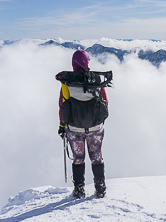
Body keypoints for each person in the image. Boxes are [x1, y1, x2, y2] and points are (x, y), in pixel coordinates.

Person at [58, 50, 108, 198]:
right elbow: (105, 101)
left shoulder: (67, 82)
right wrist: (99, 120)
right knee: (96, 156)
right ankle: (100, 188)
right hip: (95, 127)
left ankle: (79, 189)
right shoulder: (97, 80)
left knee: (78, 158)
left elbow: (63, 105)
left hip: (74, 128)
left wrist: (62, 126)